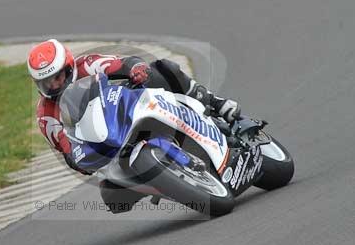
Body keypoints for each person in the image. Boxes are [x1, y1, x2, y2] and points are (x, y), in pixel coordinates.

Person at [29, 38, 242, 171]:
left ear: (68, 66)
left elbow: (124, 63)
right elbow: (67, 151)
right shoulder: (45, 116)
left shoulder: (87, 64)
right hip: (105, 149)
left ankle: (216, 104)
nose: (54, 85)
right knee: (111, 197)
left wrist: (136, 69)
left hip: (124, 110)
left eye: (58, 77)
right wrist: (77, 158)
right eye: (46, 83)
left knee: (163, 70)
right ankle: (166, 178)